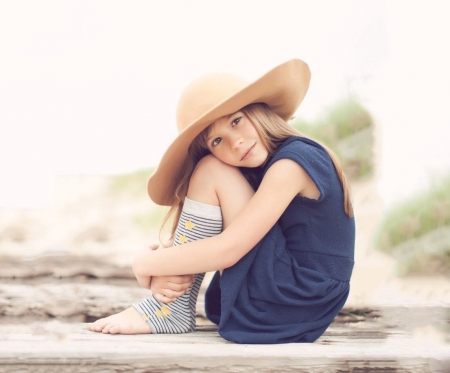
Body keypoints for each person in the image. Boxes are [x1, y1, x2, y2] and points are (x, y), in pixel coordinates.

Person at [87, 59, 355, 344]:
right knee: (210, 170)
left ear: (259, 111)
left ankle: (169, 309)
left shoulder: (294, 162)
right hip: (297, 297)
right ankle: (171, 306)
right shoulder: (259, 171)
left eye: (237, 121)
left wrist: (144, 264)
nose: (235, 142)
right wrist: (161, 265)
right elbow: (199, 244)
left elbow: (229, 249)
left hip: (296, 296)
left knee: (210, 170)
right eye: (216, 141)